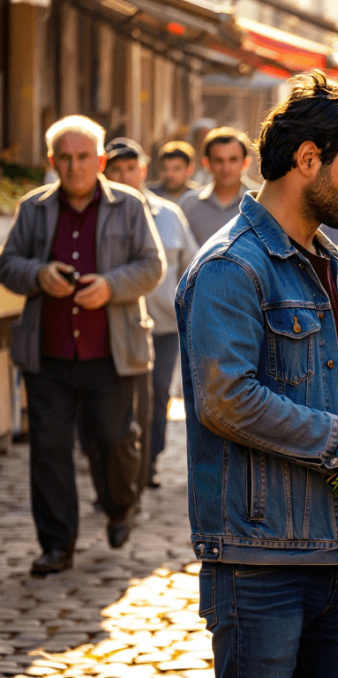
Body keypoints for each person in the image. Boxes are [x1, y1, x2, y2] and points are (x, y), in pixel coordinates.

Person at [177, 73, 338, 675]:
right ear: (309, 159)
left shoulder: (331, 264)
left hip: (337, 551)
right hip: (261, 562)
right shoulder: (232, 267)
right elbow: (225, 400)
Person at [0, 115, 165, 574]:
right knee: (48, 451)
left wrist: (111, 286)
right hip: (47, 353)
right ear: (52, 162)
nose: (74, 167)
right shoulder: (33, 208)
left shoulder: (129, 206)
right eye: (65, 159)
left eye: (83, 158)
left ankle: (120, 505)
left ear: (100, 161)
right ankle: (57, 545)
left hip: (110, 352)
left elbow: (152, 267)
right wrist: (39, 274)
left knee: (114, 442)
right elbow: (8, 264)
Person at [102, 137, 199, 489]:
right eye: (117, 169)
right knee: (116, 398)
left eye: (131, 168)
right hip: (115, 325)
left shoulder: (169, 214)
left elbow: (192, 263)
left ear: (142, 170)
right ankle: (115, 467)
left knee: (158, 395)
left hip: (164, 326)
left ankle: (149, 461)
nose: (125, 175)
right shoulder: (98, 217)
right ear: (105, 171)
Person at [179, 127, 256, 245]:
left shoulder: (261, 202)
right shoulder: (188, 204)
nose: (226, 168)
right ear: (206, 163)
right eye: (219, 160)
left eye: (233, 159)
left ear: (246, 162)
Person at [147, 140, 201, 205]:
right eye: (164, 168)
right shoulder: (149, 196)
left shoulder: (200, 199)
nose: (169, 174)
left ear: (190, 169)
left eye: (176, 168)